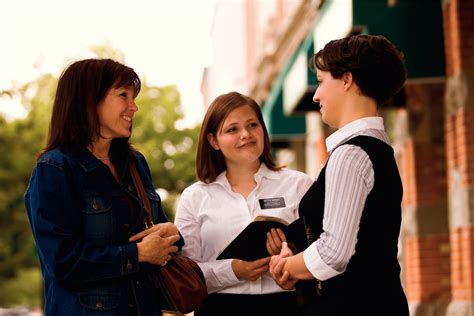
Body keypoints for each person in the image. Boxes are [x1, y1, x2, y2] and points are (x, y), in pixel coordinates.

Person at [24, 58, 183, 315]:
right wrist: (137, 254)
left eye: (133, 97)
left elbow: (159, 243)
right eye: (123, 95)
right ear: (89, 100)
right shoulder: (54, 169)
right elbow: (62, 262)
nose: (134, 107)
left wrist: (172, 233)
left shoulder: (135, 163)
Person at [269, 34, 409, 315]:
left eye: (321, 81)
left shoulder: (350, 153)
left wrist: (287, 265)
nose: (316, 94)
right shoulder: (375, 147)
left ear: (346, 80)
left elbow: (333, 254)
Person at [173, 91, 313, 316]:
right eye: (232, 129)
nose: (246, 134)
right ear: (213, 141)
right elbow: (186, 272)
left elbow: (324, 251)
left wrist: (291, 254)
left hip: (288, 305)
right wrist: (234, 271)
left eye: (252, 125)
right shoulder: (194, 197)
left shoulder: (299, 185)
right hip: (220, 309)